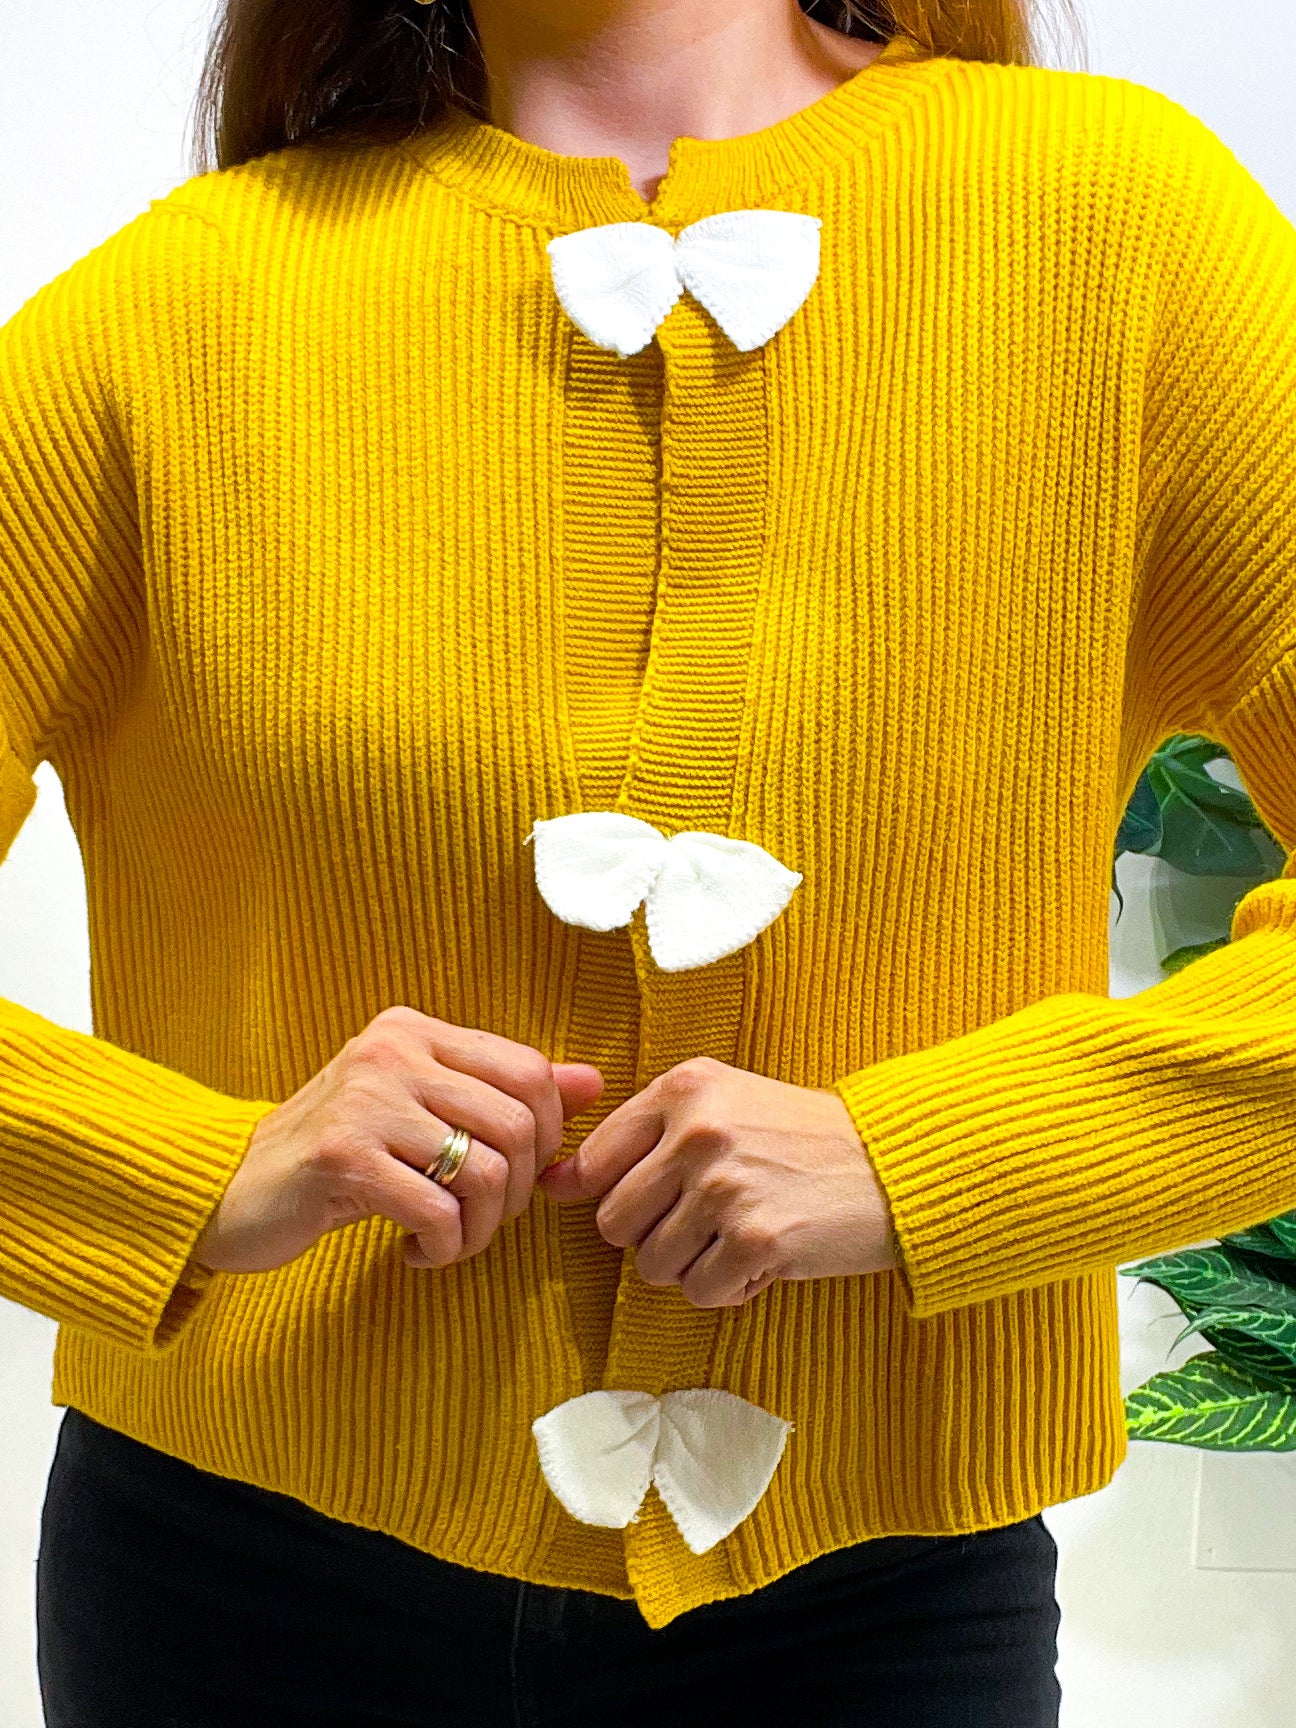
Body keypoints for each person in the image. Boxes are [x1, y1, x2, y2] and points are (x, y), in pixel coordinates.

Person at [4, 0, 1295, 1721]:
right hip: (231, 1588)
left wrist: (927, 1160)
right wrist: (189, 1175)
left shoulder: (1119, 235)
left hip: (873, 1617)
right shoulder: (166, 314)